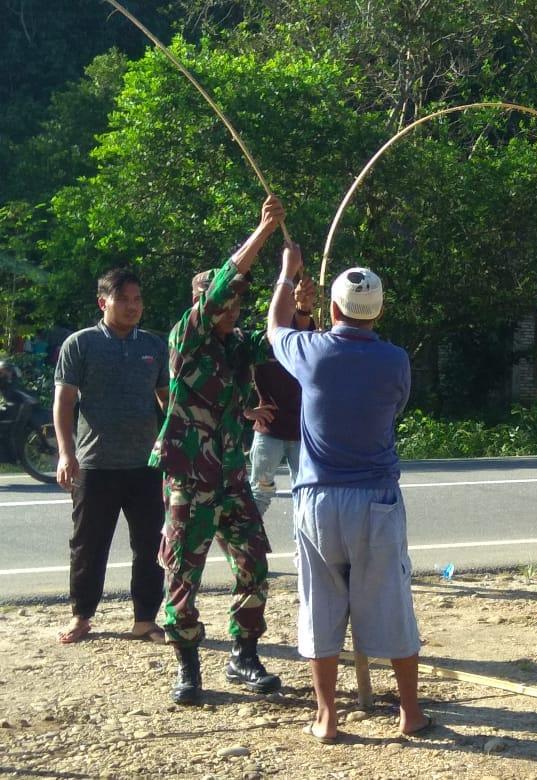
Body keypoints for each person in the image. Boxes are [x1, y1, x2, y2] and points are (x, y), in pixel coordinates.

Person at [267, 244, 429, 744]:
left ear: (334, 308)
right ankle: (410, 713)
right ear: (377, 311)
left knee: (320, 606)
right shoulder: (395, 360)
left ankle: (327, 717)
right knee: (392, 603)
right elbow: (395, 406)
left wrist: (286, 276)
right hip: (376, 498)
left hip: (318, 499)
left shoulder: (311, 352)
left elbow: (275, 327)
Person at [150, 195, 285, 705]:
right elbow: (229, 279)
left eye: (237, 306)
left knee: (254, 562)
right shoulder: (187, 336)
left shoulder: (235, 345)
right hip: (189, 479)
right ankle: (187, 666)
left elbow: (279, 339)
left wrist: (295, 293)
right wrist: (263, 231)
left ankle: (243, 655)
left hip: (231, 478)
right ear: (205, 304)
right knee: (182, 572)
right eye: (224, 304)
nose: (232, 311)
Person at [53, 269, 169, 645]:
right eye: (124, 299)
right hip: (95, 464)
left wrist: (176, 444)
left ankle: (145, 619)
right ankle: (81, 615)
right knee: (88, 546)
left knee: (150, 546)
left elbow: (167, 400)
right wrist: (66, 454)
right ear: (103, 302)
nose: (133, 306)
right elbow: (64, 402)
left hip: (146, 465)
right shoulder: (81, 344)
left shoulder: (154, 345)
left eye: (138, 299)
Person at [247, 278, 316, 517]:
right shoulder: (259, 342)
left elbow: (304, 321)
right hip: (269, 429)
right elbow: (229, 375)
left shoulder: (305, 338)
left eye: (291, 304)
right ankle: (249, 541)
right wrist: (246, 410)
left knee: (305, 495)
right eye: (283, 304)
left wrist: (303, 305)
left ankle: (303, 543)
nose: (288, 309)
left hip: (302, 432)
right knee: (259, 493)